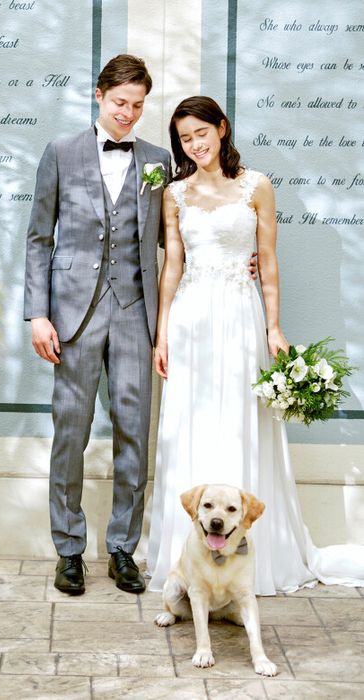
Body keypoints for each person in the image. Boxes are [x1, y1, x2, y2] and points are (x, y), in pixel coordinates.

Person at [147, 96, 364, 595]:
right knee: (190, 423)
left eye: (201, 133)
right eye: (184, 138)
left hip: (242, 317)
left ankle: (251, 562)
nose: (195, 144)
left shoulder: (257, 186)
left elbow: (267, 261)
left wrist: (274, 327)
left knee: (242, 420)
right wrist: (162, 334)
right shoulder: (174, 193)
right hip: (191, 320)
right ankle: (188, 560)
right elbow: (172, 267)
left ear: (221, 129)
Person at [23, 55, 171, 595]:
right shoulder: (61, 152)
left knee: (134, 431)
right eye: (120, 103)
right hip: (73, 315)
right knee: (71, 431)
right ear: (99, 95)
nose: (128, 113)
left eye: (137, 105)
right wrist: (38, 314)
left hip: (135, 311)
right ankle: (69, 549)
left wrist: (237, 255)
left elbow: (173, 240)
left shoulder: (158, 161)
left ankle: (123, 548)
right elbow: (39, 238)